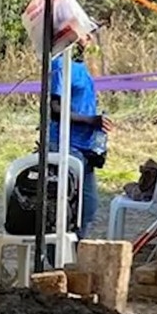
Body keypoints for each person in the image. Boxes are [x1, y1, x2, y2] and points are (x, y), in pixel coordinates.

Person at [49, 34, 111, 234]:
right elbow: (55, 109)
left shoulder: (81, 67)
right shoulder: (60, 65)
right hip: (67, 145)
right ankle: (58, 258)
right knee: (66, 207)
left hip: (86, 147)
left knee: (88, 207)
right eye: (84, 35)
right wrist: (91, 121)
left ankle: (77, 254)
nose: (89, 38)